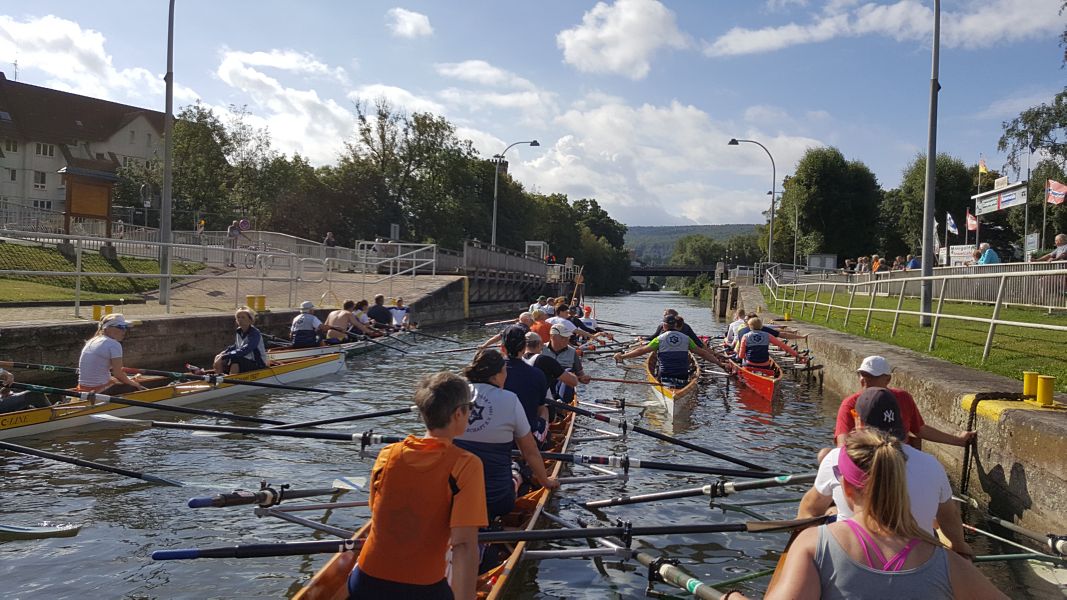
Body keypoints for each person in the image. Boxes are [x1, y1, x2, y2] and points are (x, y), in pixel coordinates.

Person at [769, 427, 1006, 600]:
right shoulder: (948, 563)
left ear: (848, 489)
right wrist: (960, 547)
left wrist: (732, 597)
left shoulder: (812, 545)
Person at [347, 372, 486, 600]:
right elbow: (463, 546)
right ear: (458, 413)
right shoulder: (466, 465)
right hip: (422, 589)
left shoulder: (387, 454)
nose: (471, 412)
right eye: (470, 407)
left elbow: (376, 511)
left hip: (364, 582)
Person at [798, 387, 973, 559]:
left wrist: (799, 547)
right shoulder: (932, 464)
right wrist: (960, 546)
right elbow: (949, 516)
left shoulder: (836, 459)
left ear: (858, 421)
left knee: (829, 512)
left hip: (852, 556)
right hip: (918, 560)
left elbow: (809, 509)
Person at [454, 350, 559, 521]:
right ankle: (517, 474)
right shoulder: (510, 399)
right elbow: (530, 450)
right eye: (505, 371)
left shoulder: (455, 396)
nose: (506, 376)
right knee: (516, 467)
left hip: (455, 495)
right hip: (498, 500)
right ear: (495, 376)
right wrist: (546, 481)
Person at [834, 356, 975, 449]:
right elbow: (842, 445)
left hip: (900, 458)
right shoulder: (849, 405)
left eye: (871, 377)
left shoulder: (903, 397)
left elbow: (919, 429)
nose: (863, 380)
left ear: (887, 379)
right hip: (866, 460)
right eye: (862, 375)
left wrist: (958, 440)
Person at [614, 315, 724, 386]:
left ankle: (663, 386)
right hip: (683, 377)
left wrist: (622, 356)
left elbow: (641, 351)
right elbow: (703, 353)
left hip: (665, 376)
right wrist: (720, 363)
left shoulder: (659, 339)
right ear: (675, 325)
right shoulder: (686, 339)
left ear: (664, 326)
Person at [499, 326, 549, 445]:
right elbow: (540, 408)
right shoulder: (537, 374)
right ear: (524, 348)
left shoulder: (491, 374)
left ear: (502, 348)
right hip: (527, 437)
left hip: (499, 435)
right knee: (545, 410)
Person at [76, 314, 147, 393]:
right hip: (100, 390)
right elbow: (118, 373)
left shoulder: (92, 340)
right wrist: (135, 384)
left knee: (116, 379)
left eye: (125, 327)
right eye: (120, 327)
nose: (124, 331)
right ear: (107, 328)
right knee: (132, 384)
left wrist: (124, 379)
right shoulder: (114, 344)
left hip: (82, 388)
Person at [542, 323, 592, 402]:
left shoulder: (572, 352)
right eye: (563, 337)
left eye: (567, 337)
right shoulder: (541, 349)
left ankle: (562, 404)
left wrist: (583, 378)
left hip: (564, 388)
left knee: (568, 371)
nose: (566, 339)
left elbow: (580, 375)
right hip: (545, 387)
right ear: (552, 337)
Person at [212, 308, 268, 374]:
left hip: (258, 363)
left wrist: (225, 355)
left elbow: (246, 350)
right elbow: (236, 346)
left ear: (250, 320)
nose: (240, 319)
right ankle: (219, 378)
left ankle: (231, 380)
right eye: (238, 317)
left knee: (235, 358)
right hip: (246, 360)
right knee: (218, 356)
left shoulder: (254, 333)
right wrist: (224, 352)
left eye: (243, 317)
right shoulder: (239, 331)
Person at [736, 317, 803, 368]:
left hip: (750, 363)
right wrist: (797, 355)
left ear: (749, 326)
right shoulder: (767, 335)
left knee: (742, 361)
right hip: (765, 363)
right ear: (761, 326)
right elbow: (783, 346)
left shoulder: (745, 336)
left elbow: (741, 355)